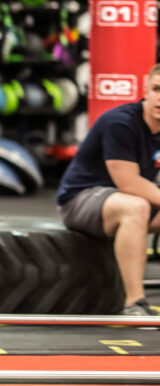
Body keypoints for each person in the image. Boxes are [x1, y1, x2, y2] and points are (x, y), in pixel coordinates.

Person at [56, 64, 160, 316]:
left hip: (126, 201)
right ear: (145, 91)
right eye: (157, 89)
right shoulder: (121, 122)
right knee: (136, 207)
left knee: (137, 205)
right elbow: (128, 183)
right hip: (81, 200)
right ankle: (135, 303)